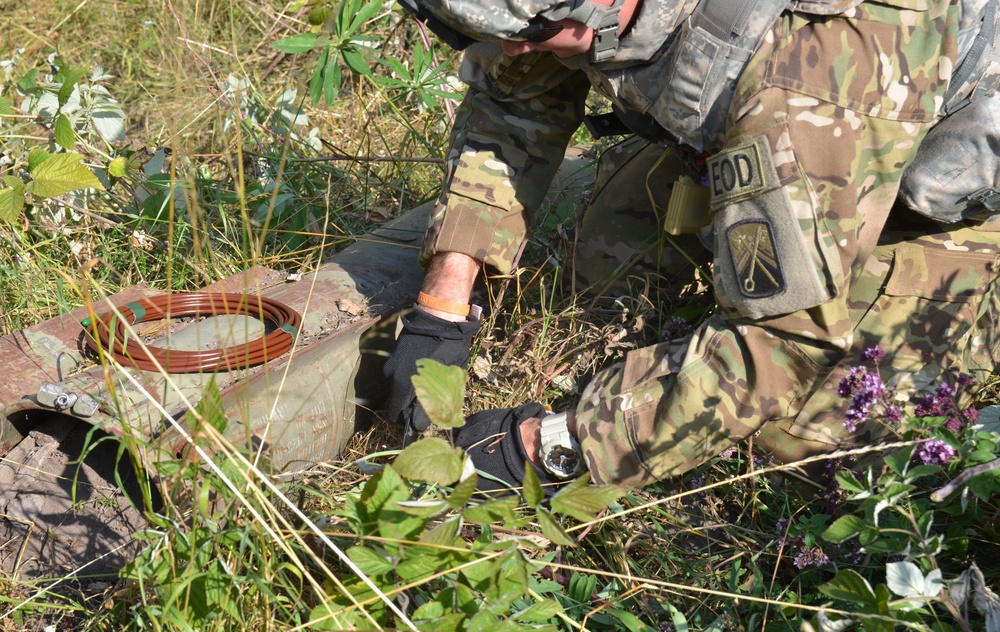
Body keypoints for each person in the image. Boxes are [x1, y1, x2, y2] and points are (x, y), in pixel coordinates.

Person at [384, 0, 1000, 492]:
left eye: (534, 29)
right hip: (788, 133)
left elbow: (784, 343)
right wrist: (441, 311)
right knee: (599, 267)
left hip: (930, 196)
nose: (515, 47)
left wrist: (545, 447)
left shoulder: (810, 73)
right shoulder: (560, 17)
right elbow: (514, 99)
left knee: (816, 434)